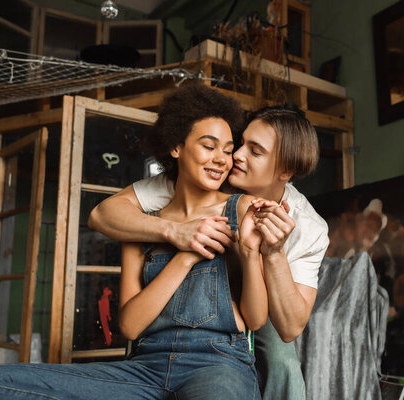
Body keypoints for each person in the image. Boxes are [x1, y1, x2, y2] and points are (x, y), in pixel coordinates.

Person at [0, 84, 268, 399]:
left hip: (218, 364)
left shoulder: (241, 209)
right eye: (209, 146)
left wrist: (251, 253)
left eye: (227, 149)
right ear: (176, 147)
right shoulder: (142, 225)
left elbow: (255, 318)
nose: (222, 160)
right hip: (143, 370)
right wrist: (185, 255)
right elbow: (130, 326)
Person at [87, 100, 330, 399]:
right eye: (237, 145)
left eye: (254, 151)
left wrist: (272, 253)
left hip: (257, 303)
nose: (235, 157)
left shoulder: (309, 227)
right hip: (169, 323)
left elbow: (290, 326)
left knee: (283, 362)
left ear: (286, 170)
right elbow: (101, 215)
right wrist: (176, 231)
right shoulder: (206, 175)